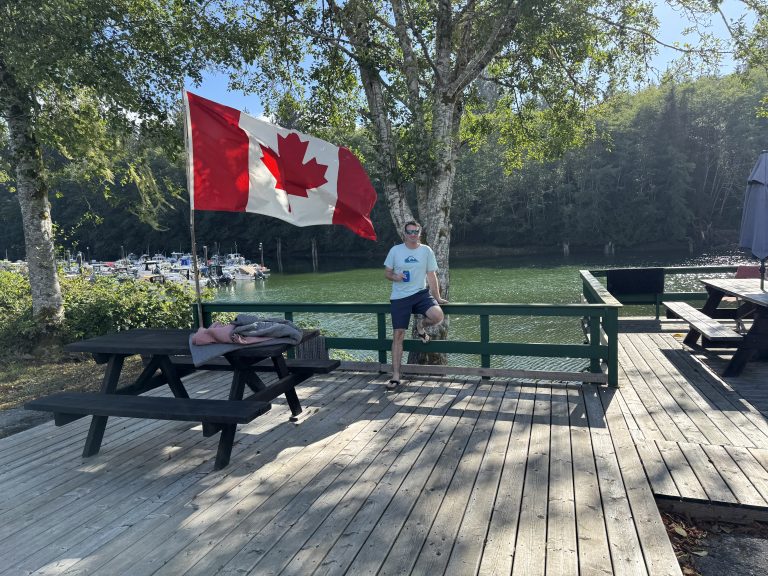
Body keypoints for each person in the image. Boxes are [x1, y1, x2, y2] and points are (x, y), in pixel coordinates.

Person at [383, 220, 448, 390]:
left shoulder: (426, 251)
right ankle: (396, 376)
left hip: (420, 294)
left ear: (419, 233)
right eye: (409, 232)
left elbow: (431, 275)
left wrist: (438, 297)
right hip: (400, 297)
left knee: (437, 316)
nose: (413, 234)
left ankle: (421, 324)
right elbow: (387, 273)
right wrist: (395, 277)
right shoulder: (395, 251)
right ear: (404, 234)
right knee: (398, 335)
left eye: (415, 231)